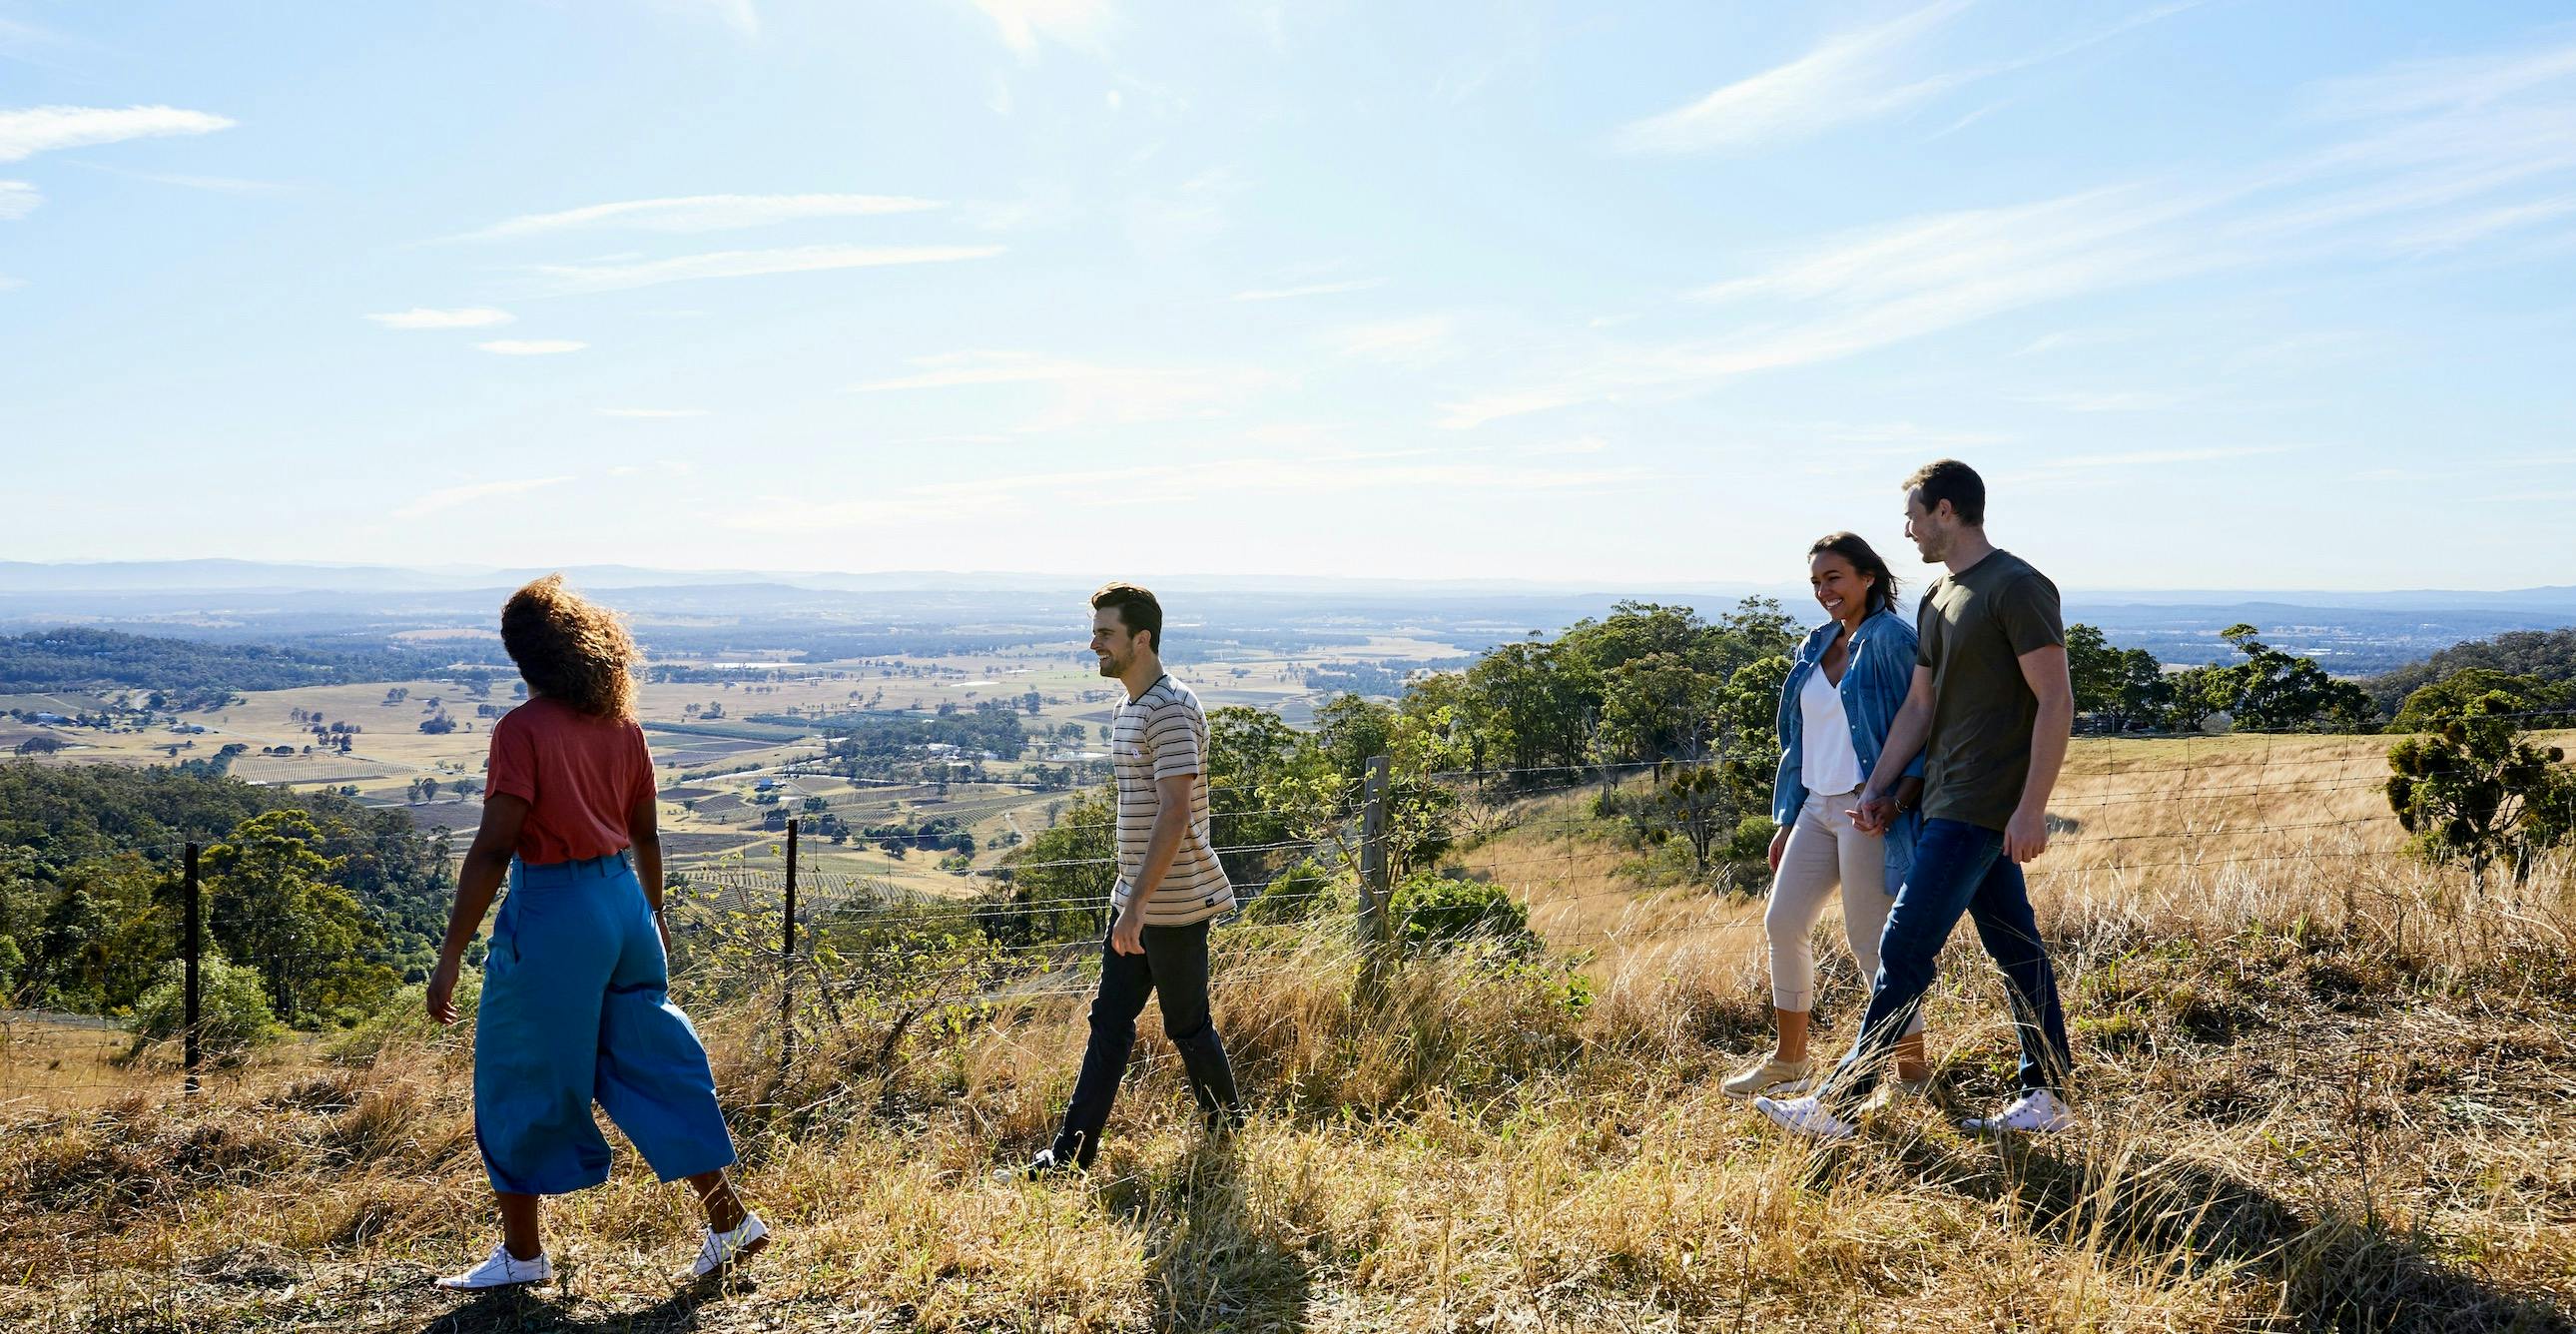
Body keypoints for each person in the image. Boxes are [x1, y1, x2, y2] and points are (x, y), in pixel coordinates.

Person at [426, 576, 768, 1290]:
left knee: (518, 1071)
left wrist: (451, 952)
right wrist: (654, 916)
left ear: (524, 657)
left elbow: (494, 848)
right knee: (651, 1059)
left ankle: (523, 1257)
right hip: (624, 904)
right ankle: (729, 1219)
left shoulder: (522, 731)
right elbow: (647, 836)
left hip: (556, 911)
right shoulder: (623, 728)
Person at [1758, 459, 2078, 1140]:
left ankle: (1839, 1104)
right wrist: (1879, 790)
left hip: (1983, 805)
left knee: (1902, 945)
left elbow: (2056, 699)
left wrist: (2031, 806)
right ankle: (2048, 1094)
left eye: (1913, 516)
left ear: (1946, 511)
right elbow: (1918, 708)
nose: (1907, 531)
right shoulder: (1938, 596)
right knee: (2016, 947)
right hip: (1942, 797)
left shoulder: (2017, 586)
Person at [1003, 582, 1245, 1179]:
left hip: (1171, 902)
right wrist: (1130, 901)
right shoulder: (1129, 708)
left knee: (1187, 1025)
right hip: (1136, 899)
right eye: (1094, 633)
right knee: (1109, 1024)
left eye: (1105, 633)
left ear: (1142, 639)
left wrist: (1136, 906)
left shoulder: (1170, 708)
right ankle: (1070, 1157)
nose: (1094, 644)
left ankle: (1226, 1136)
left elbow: (1175, 812)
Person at [1721, 532, 1931, 1099]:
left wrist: (1897, 799)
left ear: (1868, 577)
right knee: (1784, 922)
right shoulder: (1816, 643)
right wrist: (1788, 820)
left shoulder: (1892, 640)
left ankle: (1912, 1073)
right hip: (1815, 805)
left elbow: (1924, 723)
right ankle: (1790, 1061)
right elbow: (1800, 741)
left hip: (1868, 806)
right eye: (1816, 581)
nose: (1824, 591)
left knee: (1870, 942)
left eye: (1834, 577)